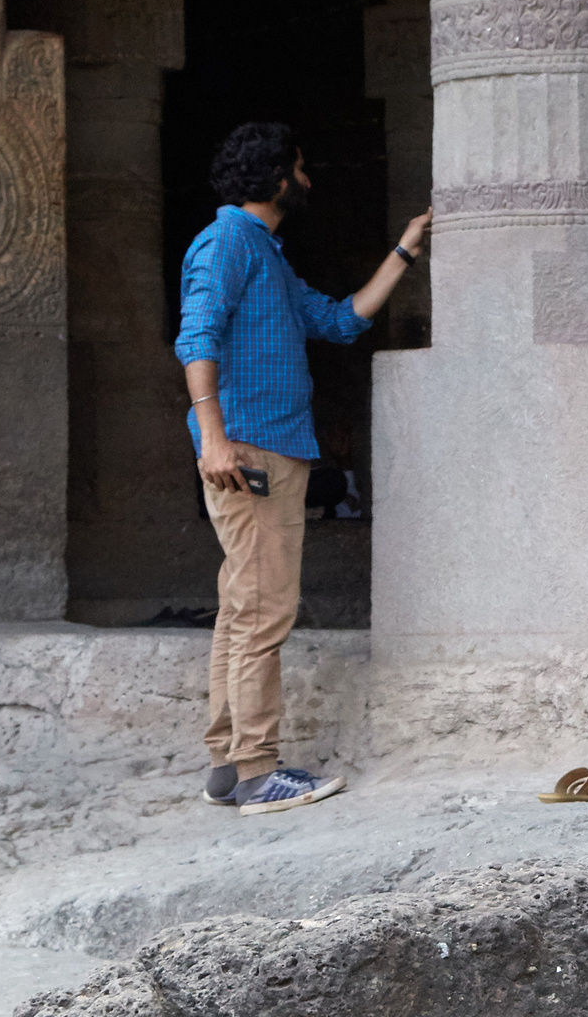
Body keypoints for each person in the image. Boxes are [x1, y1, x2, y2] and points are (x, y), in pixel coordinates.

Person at [175, 122, 429, 813]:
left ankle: (228, 765)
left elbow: (340, 319)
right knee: (264, 610)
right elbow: (195, 336)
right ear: (277, 177)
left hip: (267, 448)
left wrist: (406, 247)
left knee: (239, 607)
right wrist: (215, 440)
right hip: (247, 453)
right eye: (301, 167)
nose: (309, 179)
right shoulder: (227, 241)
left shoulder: (264, 251)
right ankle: (259, 772)